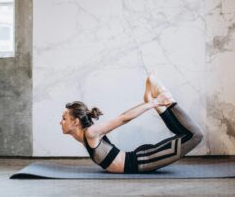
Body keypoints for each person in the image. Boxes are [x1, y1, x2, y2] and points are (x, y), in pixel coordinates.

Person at [60, 72, 204, 174]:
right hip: (141, 159)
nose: (60, 122)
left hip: (144, 160)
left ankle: (165, 96)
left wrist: (155, 102)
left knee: (195, 135)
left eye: (64, 118)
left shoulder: (91, 133)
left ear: (76, 122)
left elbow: (123, 118)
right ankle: (158, 101)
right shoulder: (84, 134)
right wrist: (151, 103)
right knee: (185, 134)